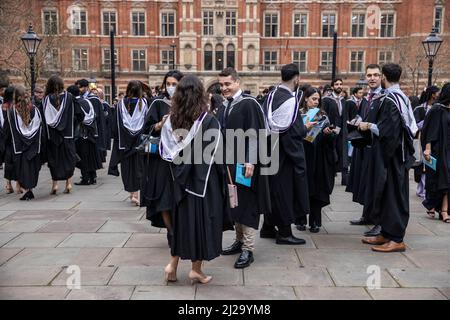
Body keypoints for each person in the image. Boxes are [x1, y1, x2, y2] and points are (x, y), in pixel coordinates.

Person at [159, 74, 232, 284]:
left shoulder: (171, 120)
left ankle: (172, 265)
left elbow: (168, 152)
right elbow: (217, 154)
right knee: (200, 226)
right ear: (200, 94)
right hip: (203, 183)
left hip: (179, 182)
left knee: (181, 224)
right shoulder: (208, 120)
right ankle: (196, 270)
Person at [360, 63, 417, 252]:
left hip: (393, 157)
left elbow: (388, 133)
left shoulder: (391, 100)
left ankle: (396, 238)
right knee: (387, 195)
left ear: (383, 76)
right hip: (396, 155)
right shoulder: (402, 98)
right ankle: (386, 233)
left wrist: (369, 127)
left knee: (394, 196)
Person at [218, 68, 271, 269]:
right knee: (235, 203)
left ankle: (248, 249)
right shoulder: (224, 106)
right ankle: (239, 241)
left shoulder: (249, 104)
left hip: (245, 165)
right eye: (221, 84)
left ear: (237, 82)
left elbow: (256, 134)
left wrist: (250, 161)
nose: (224, 88)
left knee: (247, 204)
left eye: (227, 84)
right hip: (228, 163)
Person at [260, 63, 308, 244]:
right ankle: (285, 232)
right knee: (284, 193)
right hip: (285, 155)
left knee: (272, 191)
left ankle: (268, 227)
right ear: (296, 78)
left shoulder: (271, 95)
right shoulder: (291, 101)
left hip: (269, 150)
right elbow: (294, 132)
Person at [141, 70, 184, 244]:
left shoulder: (186, 104)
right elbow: (146, 129)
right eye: (169, 84)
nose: (171, 87)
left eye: (175, 84)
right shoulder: (158, 103)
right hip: (161, 159)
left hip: (181, 158)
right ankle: (171, 232)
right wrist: (160, 124)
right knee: (164, 198)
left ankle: (181, 229)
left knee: (179, 197)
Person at [347, 64, 386, 239]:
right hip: (365, 147)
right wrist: (357, 121)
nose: (372, 78)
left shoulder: (384, 98)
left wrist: (368, 125)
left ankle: (379, 222)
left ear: (381, 77)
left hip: (379, 149)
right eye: (369, 75)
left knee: (378, 186)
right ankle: (367, 214)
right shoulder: (366, 98)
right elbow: (364, 116)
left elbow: (385, 126)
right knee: (366, 183)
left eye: (376, 75)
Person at [298, 87, 337, 233]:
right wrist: (304, 128)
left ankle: (314, 221)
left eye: (318, 99)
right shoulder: (298, 114)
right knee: (302, 187)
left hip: (319, 157)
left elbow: (331, 140)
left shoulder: (323, 116)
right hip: (302, 155)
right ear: (306, 98)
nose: (316, 102)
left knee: (316, 189)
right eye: (313, 99)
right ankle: (300, 219)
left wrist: (328, 134)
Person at [108, 81, 149, 206]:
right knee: (139, 168)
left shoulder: (120, 104)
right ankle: (136, 194)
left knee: (127, 170)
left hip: (124, 143)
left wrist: (115, 137)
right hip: (139, 143)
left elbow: (114, 126)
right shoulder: (145, 103)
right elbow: (148, 123)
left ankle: (132, 193)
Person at [43, 76, 83, 194]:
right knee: (68, 159)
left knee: (54, 160)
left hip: (52, 136)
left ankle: (55, 185)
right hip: (67, 135)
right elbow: (80, 115)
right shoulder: (70, 97)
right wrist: (71, 122)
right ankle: (68, 183)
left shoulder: (46, 100)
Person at [5, 86, 43, 200]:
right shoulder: (35, 109)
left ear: (15, 97)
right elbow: (41, 128)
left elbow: (7, 130)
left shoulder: (12, 111)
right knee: (32, 168)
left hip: (19, 146)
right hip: (33, 146)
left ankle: (27, 191)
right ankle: (30, 190)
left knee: (22, 169)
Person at [421, 83, 450, 224]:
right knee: (440, 180)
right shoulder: (438, 109)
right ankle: (440, 209)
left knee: (447, 181)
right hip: (439, 149)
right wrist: (427, 148)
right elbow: (430, 130)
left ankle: (444, 209)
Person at [67, 85, 103, 188]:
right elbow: (93, 116)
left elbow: (76, 118)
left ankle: (86, 178)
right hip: (91, 132)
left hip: (81, 134)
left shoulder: (74, 103)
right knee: (90, 155)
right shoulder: (87, 101)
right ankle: (93, 177)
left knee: (82, 157)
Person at [413, 86, 440, 200]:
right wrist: (428, 122)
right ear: (432, 94)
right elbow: (415, 124)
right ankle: (422, 188)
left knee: (431, 164)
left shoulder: (438, 108)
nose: (439, 94)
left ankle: (425, 189)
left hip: (434, 139)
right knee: (421, 164)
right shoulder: (420, 109)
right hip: (421, 139)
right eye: (437, 92)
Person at [322, 79, 347, 184]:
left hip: (342, 131)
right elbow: (324, 114)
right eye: (336, 84)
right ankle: (330, 175)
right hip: (331, 130)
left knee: (343, 153)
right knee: (331, 152)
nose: (339, 86)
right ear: (332, 87)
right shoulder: (327, 100)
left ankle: (345, 178)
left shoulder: (343, 100)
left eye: (340, 84)